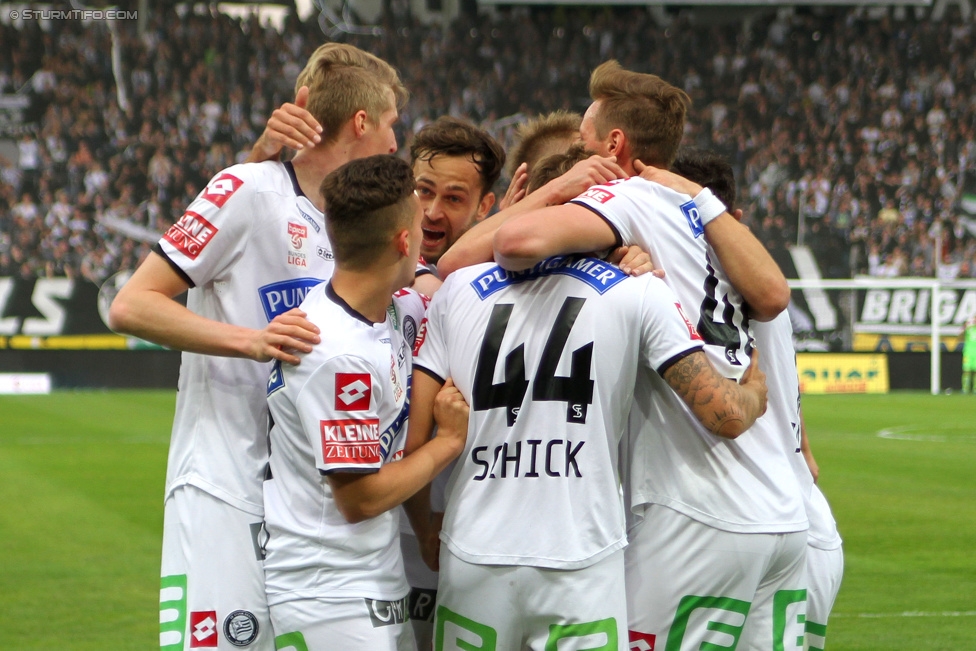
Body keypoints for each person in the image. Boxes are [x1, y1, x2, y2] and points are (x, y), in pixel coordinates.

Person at [492, 61, 808, 651]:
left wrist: (559, 192)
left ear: (614, 145)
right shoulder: (701, 214)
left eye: (584, 145)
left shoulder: (626, 195)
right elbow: (773, 296)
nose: (579, 159)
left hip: (697, 507)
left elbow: (515, 243)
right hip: (783, 516)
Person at [108, 43, 407, 651]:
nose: (397, 145)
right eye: (393, 125)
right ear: (362, 122)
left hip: (298, 504)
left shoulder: (351, 231)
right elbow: (131, 304)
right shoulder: (247, 187)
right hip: (225, 482)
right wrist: (252, 341)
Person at [405, 243, 768, 651]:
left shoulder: (458, 287)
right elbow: (725, 414)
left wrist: (425, 529)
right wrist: (755, 392)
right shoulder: (638, 289)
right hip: (582, 552)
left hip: (474, 547)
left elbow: (413, 440)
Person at [263, 154, 469, 651]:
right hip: (329, 598)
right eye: (418, 226)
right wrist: (448, 442)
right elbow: (361, 499)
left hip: (369, 584)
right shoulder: (339, 355)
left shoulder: (386, 311)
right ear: (403, 240)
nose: (425, 237)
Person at [677, 148, 844, 651]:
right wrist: (802, 447)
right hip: (807, 521)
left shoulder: (706, 284)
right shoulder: (760, 276)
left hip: (734, 519)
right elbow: (786, 384)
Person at [409, 117, 506, 295]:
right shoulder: (367, 262)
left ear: (483, 207)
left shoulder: (495, 289)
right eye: (424, 191)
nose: (432, 212)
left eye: (453, 198)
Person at [963, 315, 976, 394]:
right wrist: (966, 326)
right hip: (968, 352)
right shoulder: (969, 329)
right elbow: (960, 335)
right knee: (966, 371)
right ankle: (965, 389)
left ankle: (975, 389)